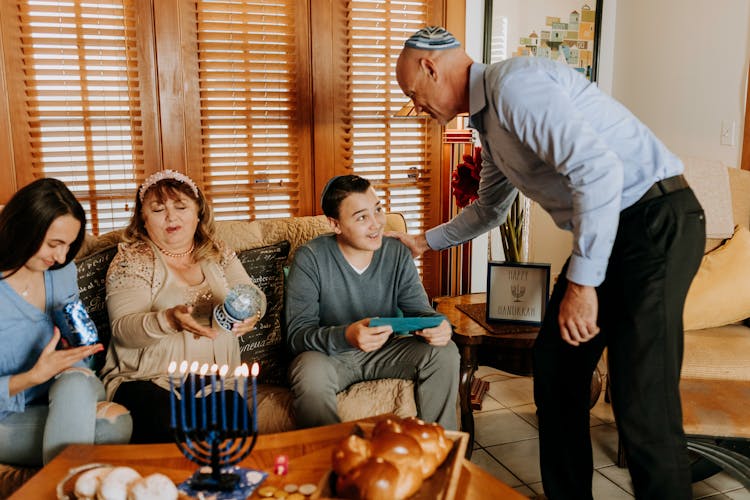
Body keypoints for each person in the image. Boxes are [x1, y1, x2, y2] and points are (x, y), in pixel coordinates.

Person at [393, 27, 706, 499]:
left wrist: (581, 286)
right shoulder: (489, 123)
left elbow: (599, 171)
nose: (418, 109)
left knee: (642, 401)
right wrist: (423, 241)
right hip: (613, 232)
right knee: (557, 368)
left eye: (414, 96)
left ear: (431, 68)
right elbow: (489, 210)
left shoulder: (514, 85)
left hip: (655, 220)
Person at [100, 170, 266, 443]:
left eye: (181, 206)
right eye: (158, 209)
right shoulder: (132, 258)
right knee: (172, 430)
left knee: (236, 439)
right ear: (143, 218)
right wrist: (167, 320)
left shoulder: (217, 252)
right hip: (146, 380)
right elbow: (123, 329)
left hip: (217, 383)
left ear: (198, 213)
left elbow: (252, 294)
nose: (171, 217)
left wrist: (253, 313)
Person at [285, 175, 460, 430]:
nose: (376, 223)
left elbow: (420, 311)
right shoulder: (310, 259)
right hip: (330, 358)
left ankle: (441, 452)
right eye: (361, 217)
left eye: (377, 209)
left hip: (386, 353)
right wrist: (346, 335)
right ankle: (334, 459)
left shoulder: (397, 252)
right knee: (309, 373)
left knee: (445, 353)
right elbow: (296, 335)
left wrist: (439, 326)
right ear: (335, 224)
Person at [0, 178, 132, 466]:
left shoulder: (60, 270)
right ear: (24, 228)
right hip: (8, 412)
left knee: (75, 382)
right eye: (53, 244)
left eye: (69, 246)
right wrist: (33, 376)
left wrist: (79, 352)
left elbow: (79, 342)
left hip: (68, 387)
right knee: (114, 425)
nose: (61, 256)